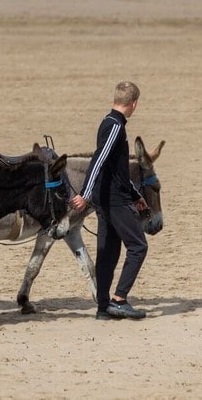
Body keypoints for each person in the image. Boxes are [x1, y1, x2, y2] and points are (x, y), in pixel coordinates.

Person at [69, 81, 150, 320]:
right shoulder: (115, 127)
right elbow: (99, 160)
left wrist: (137, 196)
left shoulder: (107, 122)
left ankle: (103, 307)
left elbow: (117, 170)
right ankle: (119, 299)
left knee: (108, 252)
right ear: (133, 104)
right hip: (114, 202)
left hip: (106, 200)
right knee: (138, 247)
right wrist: (85, 194)